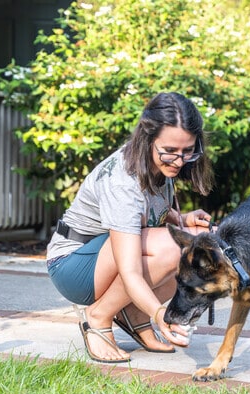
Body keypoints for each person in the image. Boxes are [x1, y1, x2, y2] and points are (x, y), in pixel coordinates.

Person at [46, 92, 214, 363]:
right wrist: (162, 315)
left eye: (187, 151)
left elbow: (143, 208)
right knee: (175, 247)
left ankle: (133, 314)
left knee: (201, 242)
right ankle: (98, 317)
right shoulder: (123, 180)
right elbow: (130, 270)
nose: (180, 161)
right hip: (73, 266)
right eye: (170, 151)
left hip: (102, 256)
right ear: (148, 138)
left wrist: (177, 216)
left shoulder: (157, 163)